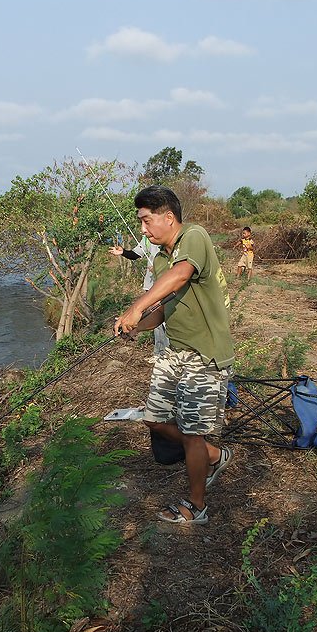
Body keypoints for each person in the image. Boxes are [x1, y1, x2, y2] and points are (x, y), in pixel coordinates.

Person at [114, 185, 234, 525]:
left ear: (169, 217)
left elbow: (180, 276)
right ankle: (214, 455)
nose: (143, 229)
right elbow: (165, 310)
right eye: (141, 222)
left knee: (192, 433)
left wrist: (136, 307)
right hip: (175, 353)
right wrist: (136, 326)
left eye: (147, 220)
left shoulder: (194, 237)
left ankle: (197, 506)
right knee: (153, 419)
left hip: (204, 354)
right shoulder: (163, 257)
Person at [108, 235, 169, 360]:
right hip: (151, 284)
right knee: (157, 320)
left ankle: (170, 352)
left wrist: (159, 268)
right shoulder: (146, 239)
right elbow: (136, 254)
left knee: (168, 318)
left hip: (166, 285)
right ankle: (160, 353)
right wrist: (123, 252)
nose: (144, 229)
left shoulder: (173, 240)